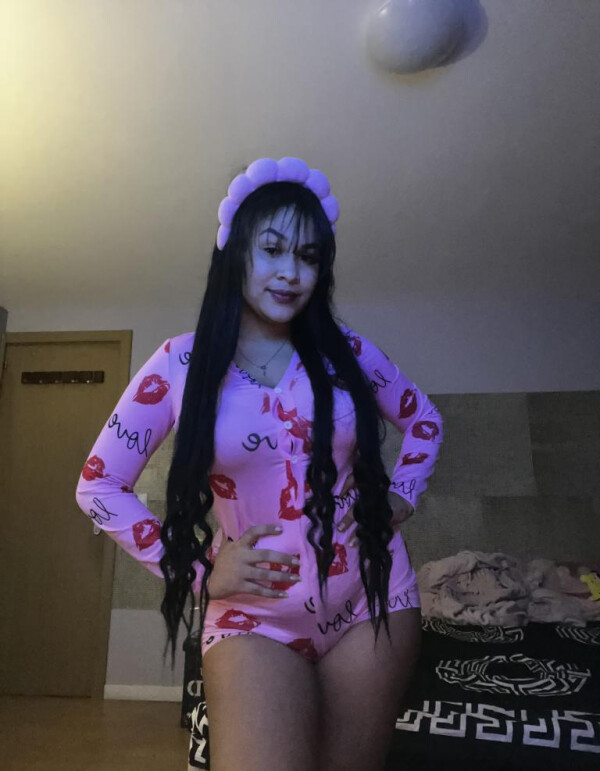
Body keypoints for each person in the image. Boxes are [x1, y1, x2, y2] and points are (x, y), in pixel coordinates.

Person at [75, 156, 444, 771]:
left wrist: (400, 497)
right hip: (254, 619)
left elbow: (424, 419)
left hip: (372, 600)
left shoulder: (347, 352)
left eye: (309, 257)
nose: (291, 272)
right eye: (272, 249)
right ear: (235, 253)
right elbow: (98, 484)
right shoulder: (178, 365)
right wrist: (196, 571)